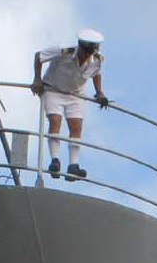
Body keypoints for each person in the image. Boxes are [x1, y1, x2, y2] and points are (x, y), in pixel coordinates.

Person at [31, 29, 109, 181]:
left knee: (76, 126)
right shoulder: (62, 51)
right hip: (53, 89)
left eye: (89, 53)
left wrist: (100, 92)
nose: (86, 56)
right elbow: (38, 56)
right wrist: (37, 79)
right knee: (55, 121)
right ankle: (55, 160)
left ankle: (74, 165)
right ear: (80, 47)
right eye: (85, 52)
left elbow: (96, 73)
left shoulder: (97, 59)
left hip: (75, 94)